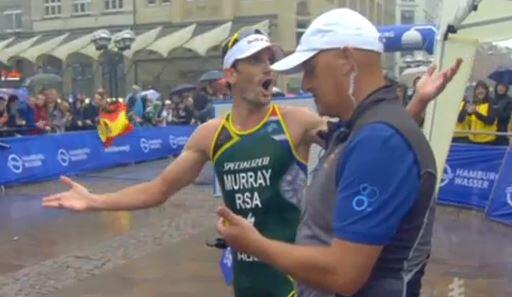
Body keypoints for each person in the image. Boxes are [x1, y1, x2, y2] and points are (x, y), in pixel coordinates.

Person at [42, 24, 460, 297]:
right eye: (257, 61)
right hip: (247, 283)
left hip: (299, 282)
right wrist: (94, 200)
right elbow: (158, 189)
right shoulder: (212, 135)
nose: (270, 68)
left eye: (271, 60)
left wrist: (418, 101)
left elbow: (371, 146)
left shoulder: (296, 122)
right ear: (230, 74)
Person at [215, 9, 462, 297]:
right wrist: (417, 103)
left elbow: (343, 274)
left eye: (310, 69)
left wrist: (254, 244)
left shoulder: (380, 140)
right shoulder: (363, 130)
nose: (305, 84)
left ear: (346, 60)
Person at [456, 80, 497, 145]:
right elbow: (463, 121)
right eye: (477, 89)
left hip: (487, 141)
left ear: (486, 91)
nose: (480, 91)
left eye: (482, 89)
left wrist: (476, 113)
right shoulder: (474, 103)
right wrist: (468, 113)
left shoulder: (492, 103)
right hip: (473, 141)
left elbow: (490, 121)